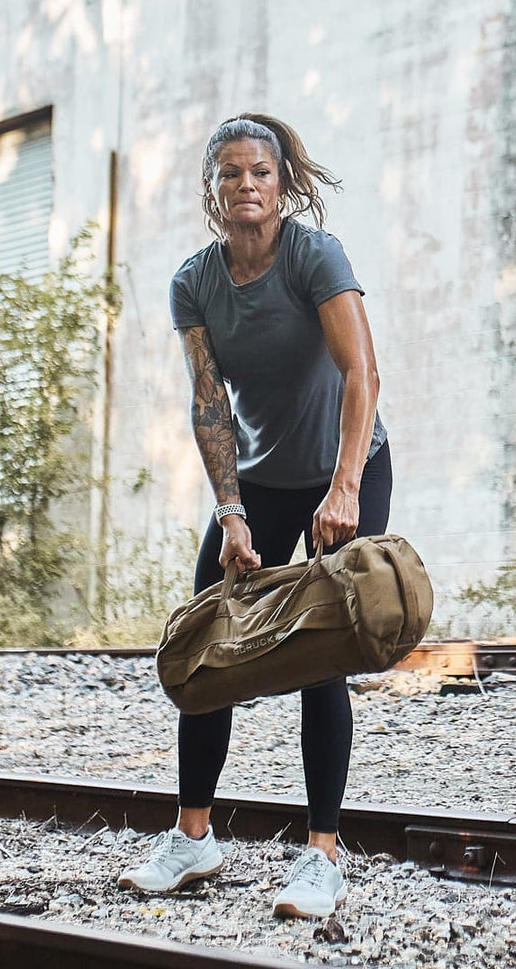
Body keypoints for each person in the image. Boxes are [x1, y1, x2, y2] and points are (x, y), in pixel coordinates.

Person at [118, 113, 389, 919]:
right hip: (264, 483)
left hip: (348, 466)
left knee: (321, 653)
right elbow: (210, 407)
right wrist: (231, 514)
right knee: (208, 652)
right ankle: (195, 836)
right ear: (212, 189)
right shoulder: (193, 283)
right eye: (230, 173)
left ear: (282, 184)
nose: (246, 185)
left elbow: (360, 371)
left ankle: (322, 856)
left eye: (260, 173)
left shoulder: (314, 256)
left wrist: (342, 490)